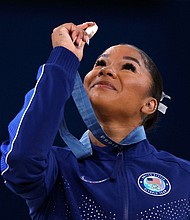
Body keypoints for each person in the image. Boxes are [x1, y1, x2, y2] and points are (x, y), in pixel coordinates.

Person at [1, 21, 190, 220]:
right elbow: (19, 161)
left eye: (128, 67)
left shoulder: (183, 177)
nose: (105, 71)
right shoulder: (56, 168)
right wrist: (64, 59)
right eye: (100, 63)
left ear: (150, 105)